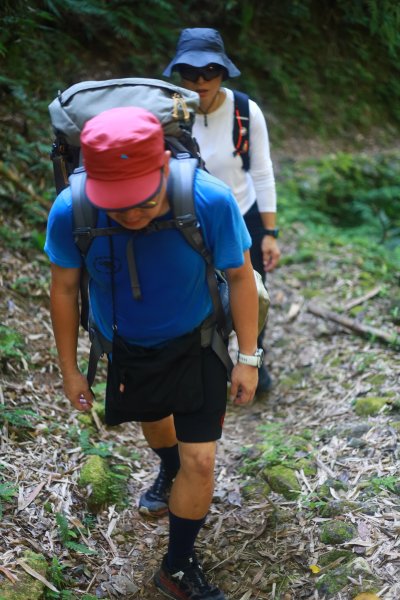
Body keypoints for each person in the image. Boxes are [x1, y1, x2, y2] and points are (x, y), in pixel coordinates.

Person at [45, 105, 261, 600]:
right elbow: (62, 287)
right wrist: (70, 369)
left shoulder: (209, 200)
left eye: (142, 202)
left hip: (199, 339)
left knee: (201, 462)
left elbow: (240, 275)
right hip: (127, 345)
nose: (131, 216)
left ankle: (177, 566)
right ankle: (167, 467)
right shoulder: (71, 210)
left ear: (164, 166)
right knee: (156, 420)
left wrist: (248, 356)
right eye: (117, 206)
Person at [163, 27, 281, 394]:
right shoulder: (172, 111)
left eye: (209, 72)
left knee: (252, 292)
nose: (200, 82)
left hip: (242, 215)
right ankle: (204, 369)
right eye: (190, 73)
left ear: (223, 72)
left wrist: (270, 233)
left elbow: (261, 170)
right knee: (198, 294)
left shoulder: (245, 111)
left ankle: (253, 360)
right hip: (188, 219)